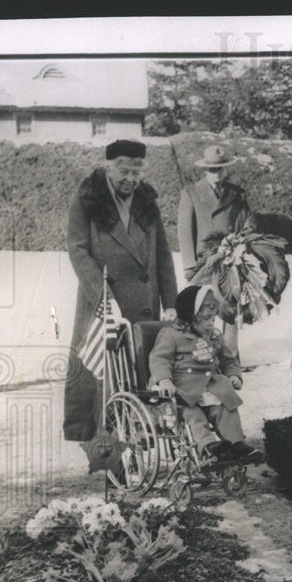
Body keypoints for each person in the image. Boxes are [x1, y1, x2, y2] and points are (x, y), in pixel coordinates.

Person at [64, 139, 178, 442]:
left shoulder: (147, 201)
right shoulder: (88, 197)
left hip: (143, 303)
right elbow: (77, 250)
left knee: (139, 365)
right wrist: (103, 298)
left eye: (136, 172)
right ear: (108, 166)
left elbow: (163, 255)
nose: (130, 178)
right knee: (105, 373)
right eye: (122, 170)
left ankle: (137, 432)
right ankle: (104, 441)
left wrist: (171, 303)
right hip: (101, 302)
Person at [149, 285, 263, 464]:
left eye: (212, 318)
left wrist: (234, 375)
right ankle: (209, 447)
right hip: (182, 388)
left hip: (211, 386)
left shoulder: (214, 336)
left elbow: (228, 360)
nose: (212, 323)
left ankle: (236, 444)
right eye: (206, 319)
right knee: (192, 415)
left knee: (226, 408)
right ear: (191, 315)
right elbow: (159, 359)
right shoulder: (171, 335)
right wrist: (165, 380)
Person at [178, 144, 252, 359]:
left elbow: (248, 222)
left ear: (226, 169)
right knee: (204, 307)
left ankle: (230, 355)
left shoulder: (237, 193)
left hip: (232, 260)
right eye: (212, 170)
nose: (216, 174)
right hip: (205, 262)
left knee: (231, 307)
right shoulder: (191, 192)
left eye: (220, 169)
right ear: (205, 170)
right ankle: (205, 355)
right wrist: (189, 265)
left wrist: (240, 246)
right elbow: (185, 232)